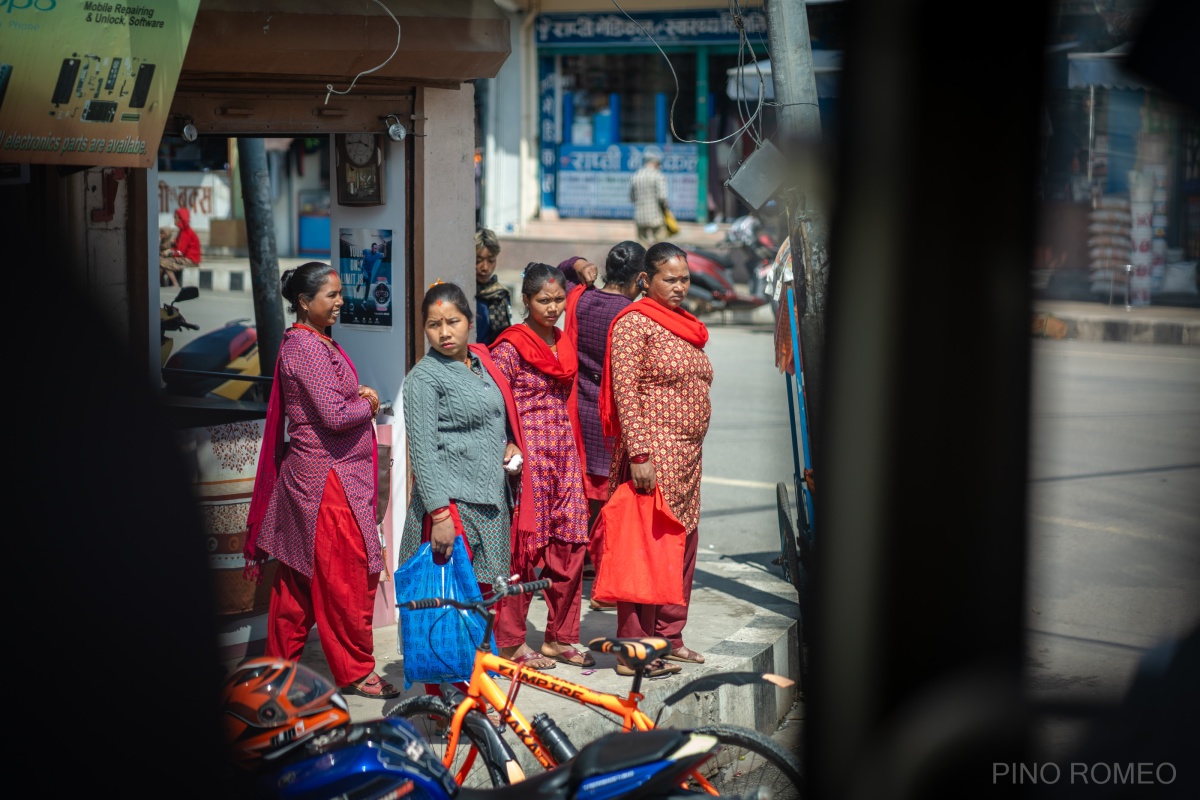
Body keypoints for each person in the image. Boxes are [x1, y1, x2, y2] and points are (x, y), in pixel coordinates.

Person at [243, 262, 396, 699]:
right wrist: (369, 402)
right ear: (305, 303)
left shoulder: (313, 342)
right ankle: (356, 670)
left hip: (318, 479)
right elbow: (334, 415)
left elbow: (329, 403)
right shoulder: (307, 348)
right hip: (325, 483)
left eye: (340, 293)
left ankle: (276, 669)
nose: (341, 301)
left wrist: (359, 397)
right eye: (331, 295)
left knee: (299, 584)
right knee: (346, 579)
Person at [397, 280, 527, 691]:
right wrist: (438, 515)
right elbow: (423, 451)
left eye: (452, 321)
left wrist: (507, 442)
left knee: (481, 600)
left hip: (490, 501)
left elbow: (495, 416)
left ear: (470, 323)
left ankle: (473, 685)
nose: (444, 332)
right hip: (451, 505)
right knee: (448, 603)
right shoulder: (424, 378)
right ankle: (441, 698)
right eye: (434, 325)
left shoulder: (480, 361)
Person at [599, 241, 713, 675]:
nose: (681, 286)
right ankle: (634, 648)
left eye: (684, 278)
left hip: (686, 458)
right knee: (643, 552)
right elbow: (625, 392)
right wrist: (641, 453)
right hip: (652, 456)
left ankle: (669, 636)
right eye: (671, 279)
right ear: (647, 280)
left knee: (680, 547)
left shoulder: (685, 323)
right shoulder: (633, 324)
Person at [490, 263, 594, 669]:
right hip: (528, 458)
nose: (553, 308)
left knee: (569, 547)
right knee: (524, 552)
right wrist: (506, 445)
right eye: (543, 300)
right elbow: (492, 402)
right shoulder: (509, 347)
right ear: (526, 301)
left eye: (558, 299)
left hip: (564, 455)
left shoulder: (563, 342)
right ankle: (512, 642)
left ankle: (560, 637)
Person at [559, 243, 646, 611]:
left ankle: (582, 576)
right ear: (642, 279)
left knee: (586, 500)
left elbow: (558, 270)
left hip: (579, 410)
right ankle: (606, 584)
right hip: (613, 415)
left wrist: (576, 263)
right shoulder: (635, 313)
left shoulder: (580, 299)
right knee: (613, 503)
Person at [475, 227, 512, 346]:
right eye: (478, 260)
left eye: (491, 261)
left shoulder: (500, 295)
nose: (485, 267)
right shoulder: (461, 294)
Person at [629, 147, 669, 245]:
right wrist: (666, 209)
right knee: (661, 246)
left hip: (640, 216)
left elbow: (632, 197)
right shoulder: (658, 175)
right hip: (656, 216)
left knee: (641, 246)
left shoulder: (636, 175)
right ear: (655, 163)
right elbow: (662, 197)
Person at [159, 206, 202, 287]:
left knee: (161, 261)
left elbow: (180, 252)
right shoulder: (182, 231)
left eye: (176, 218)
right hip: (185, 257)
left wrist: (169, 252)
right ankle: (163, 283)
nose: (174, 220)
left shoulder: (186, 233)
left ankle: (175, 284)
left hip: (190, 259)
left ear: (181, 219)